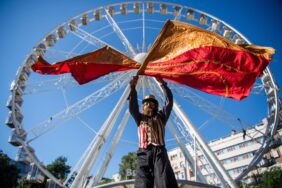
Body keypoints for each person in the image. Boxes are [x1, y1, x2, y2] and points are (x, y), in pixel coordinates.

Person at [128, 76, 178, 188]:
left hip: (159, 151)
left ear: (155, 106)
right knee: (142, 184)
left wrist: (163, 85)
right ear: (143, 106)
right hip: (143, 153)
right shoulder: (139, 118)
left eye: (152, 103)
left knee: (165, 181)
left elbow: (169, 101)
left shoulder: (161, 116)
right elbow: (133, 107)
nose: (149, 105)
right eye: (146, 103)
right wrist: (133, 87)